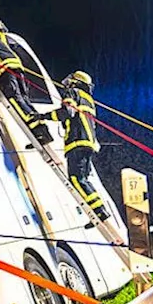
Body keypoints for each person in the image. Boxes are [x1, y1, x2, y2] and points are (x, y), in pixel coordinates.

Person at [0, 17, 54, 145]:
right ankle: (43, 131)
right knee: (23, 98)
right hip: (17, 67)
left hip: (4, 70)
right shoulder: (0, 37)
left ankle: (38, 132)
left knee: (14, 99)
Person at [42, 71, 110, 223]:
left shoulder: (72, 92)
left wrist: (43, 116)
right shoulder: (89, 100)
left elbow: (67, 112)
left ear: (75, 82)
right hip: (88, 143)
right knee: (84, 179)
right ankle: (99, 210)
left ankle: (99, 212)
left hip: (77, 141)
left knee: (76, 179)